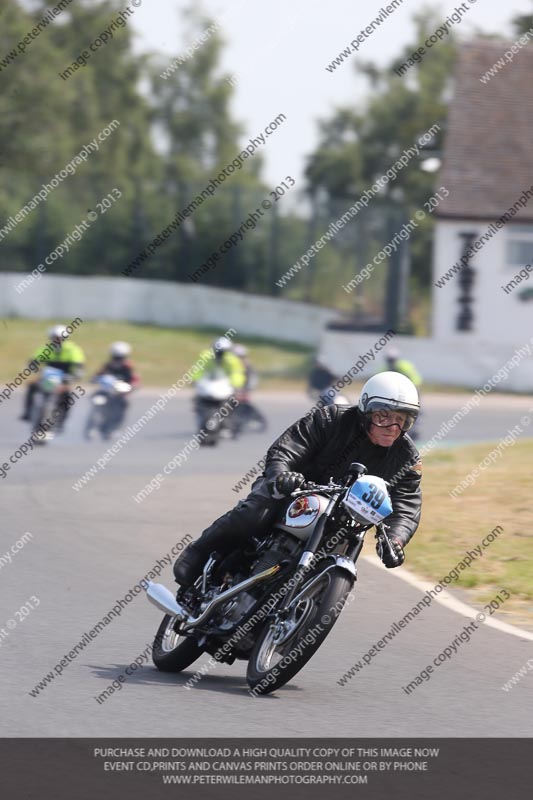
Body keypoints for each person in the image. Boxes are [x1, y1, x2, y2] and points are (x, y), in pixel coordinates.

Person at [173, 371, 422, 588]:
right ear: (366, 411)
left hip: (344, 520)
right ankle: (197, 552)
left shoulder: (407, 457)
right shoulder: (330, 419)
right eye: (383, 416)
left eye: (402, 420)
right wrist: (282, 476)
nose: (392, 427)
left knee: (348, 544)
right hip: (294, 492)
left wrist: (396, 538)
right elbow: (285, 450)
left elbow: (407, 504)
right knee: (258, 509)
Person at [20, 324, 85, 424]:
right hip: (47, 377)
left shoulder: (72, 349)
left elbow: (79, 365)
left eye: (60, 338)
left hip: (64, 379)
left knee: (67, 395)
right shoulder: (46, 349)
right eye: (55, 338)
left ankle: (62, 419)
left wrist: (76, 374)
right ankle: (28, 412)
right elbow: (33, 361)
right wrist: (33, 367)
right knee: (32, 386)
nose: (57, 340)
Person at [92, 341, 139, 428]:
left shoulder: (128, 367)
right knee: (95, 397)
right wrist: (94, 379)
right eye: (116, 357)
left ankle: (116, 426)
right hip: (107, 390)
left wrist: (133, 385)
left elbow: (134, 378)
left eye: (120, 358)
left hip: (120, 393)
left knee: (125, 403)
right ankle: (93, 420)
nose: (117, 360)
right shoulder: (107, 365)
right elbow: (98, 374)